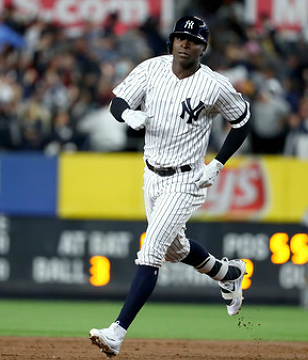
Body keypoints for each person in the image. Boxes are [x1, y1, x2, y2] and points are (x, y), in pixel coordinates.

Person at [89, 16, 251, 357]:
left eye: (192, 40)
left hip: (187, 179)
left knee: (151, 251)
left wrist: (218, 164)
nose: (184, 43)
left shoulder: (214, 85)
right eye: (180, 37)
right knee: (175, 250)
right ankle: (229, 272)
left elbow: (241, 120)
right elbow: (118, 101)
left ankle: (116, 333)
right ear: (171, 41)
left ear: (203, 48)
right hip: (151, 175)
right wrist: (127, 115)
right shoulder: (151, 69)